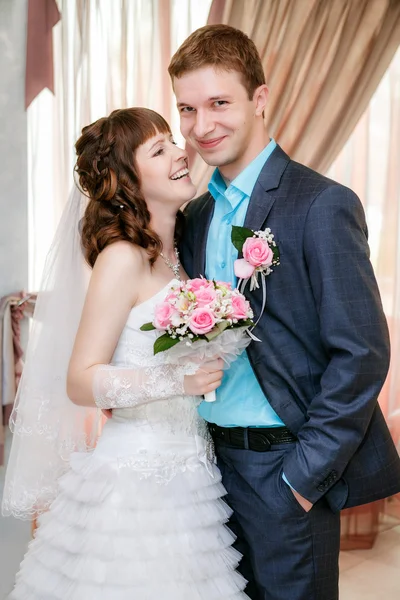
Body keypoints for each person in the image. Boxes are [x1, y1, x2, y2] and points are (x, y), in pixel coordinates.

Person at [169, 24, 400, 600]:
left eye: (219, 103)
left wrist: (301, 478)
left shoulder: (321, 204)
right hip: (208, 471)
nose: (202, 127)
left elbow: (362, 353)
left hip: (284, 468)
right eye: (187, 109)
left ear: (260, 99)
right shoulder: (194, 217)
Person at [2, 107, 250, 599]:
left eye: (172, 142)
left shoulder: (177, 252)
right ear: (127, 181)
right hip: (135, 483)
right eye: (159, 150)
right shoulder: (123, 256)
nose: (182, 153)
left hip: (193, 476)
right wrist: (178, 381)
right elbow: (80, 379)